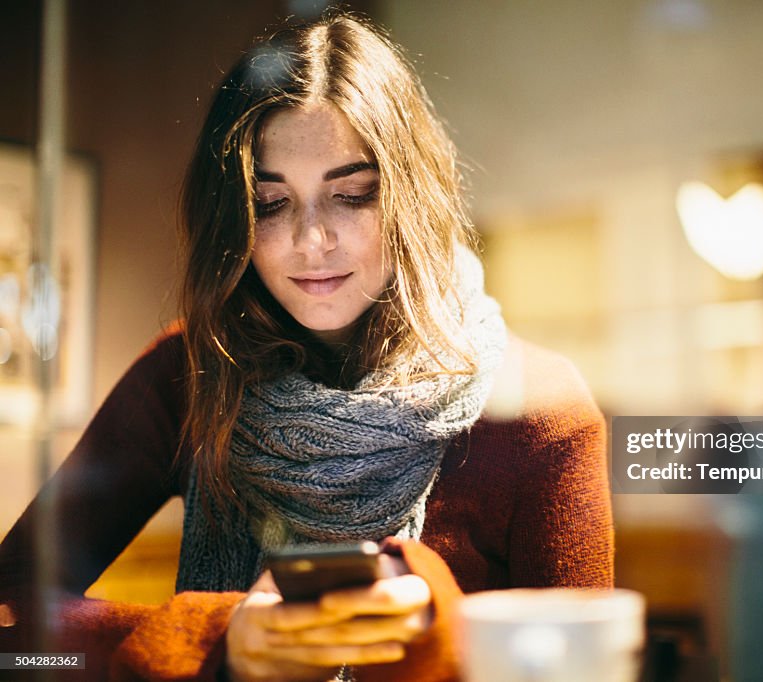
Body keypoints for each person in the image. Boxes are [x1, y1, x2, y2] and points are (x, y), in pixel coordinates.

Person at [0, 12, 612, 682]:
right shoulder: (191, 376)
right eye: (269, 203)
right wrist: (216, 639)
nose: (311, 240)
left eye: (351, 195)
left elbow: (581, 667)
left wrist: (432, 631)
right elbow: (13, 628)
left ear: (412, 198)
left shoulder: (537, 410)